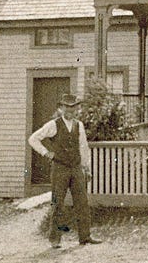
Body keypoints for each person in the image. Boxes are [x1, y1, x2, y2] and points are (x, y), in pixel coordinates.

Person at [26, 92, 97, 248]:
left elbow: (83, 147)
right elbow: (33, 139)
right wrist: (47, 153)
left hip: (77, 168)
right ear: (61, 108)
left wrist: (87, 168)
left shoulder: (79, 125)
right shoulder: (53, 124)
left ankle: (85, 237)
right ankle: (55, 239)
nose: (70, 111)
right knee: (58, 203)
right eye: (67, 107)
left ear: (77, 109)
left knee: (82, 203)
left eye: (73, 108)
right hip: (60, 169)